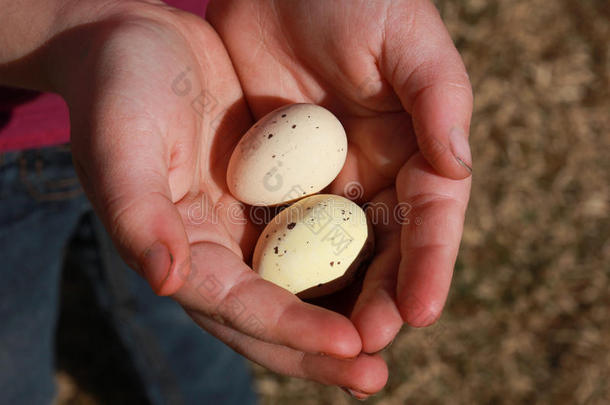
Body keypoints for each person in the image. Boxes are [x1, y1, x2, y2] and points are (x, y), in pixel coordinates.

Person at [0, 0, 473, 402]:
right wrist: (76, 25)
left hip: (182, 104)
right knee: (10, 351)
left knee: (177, 317)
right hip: (17, 136)